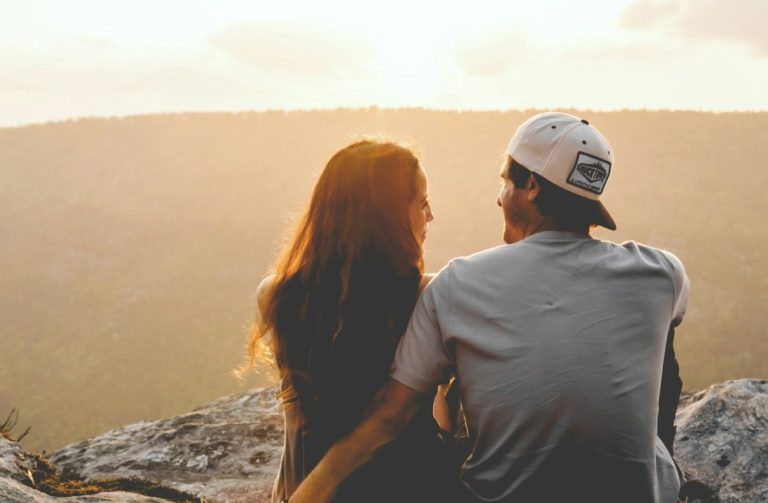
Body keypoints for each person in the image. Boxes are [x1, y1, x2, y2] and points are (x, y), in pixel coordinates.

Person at [289, 112, 690, 503]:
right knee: (661, 337)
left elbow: (390, 416)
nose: (499, 198)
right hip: (640, 494)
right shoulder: (662, 273)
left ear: (530, 186)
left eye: (504, 181)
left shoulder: (458, 284)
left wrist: (313, 489)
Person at [246, 140, 458, 503]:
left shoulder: (276, 295)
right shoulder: (430, 296)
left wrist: (291, 492)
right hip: (411, 486)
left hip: (310, 487)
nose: (431, 216)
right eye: (422, 203)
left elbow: (296, 419)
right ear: (387, 219)